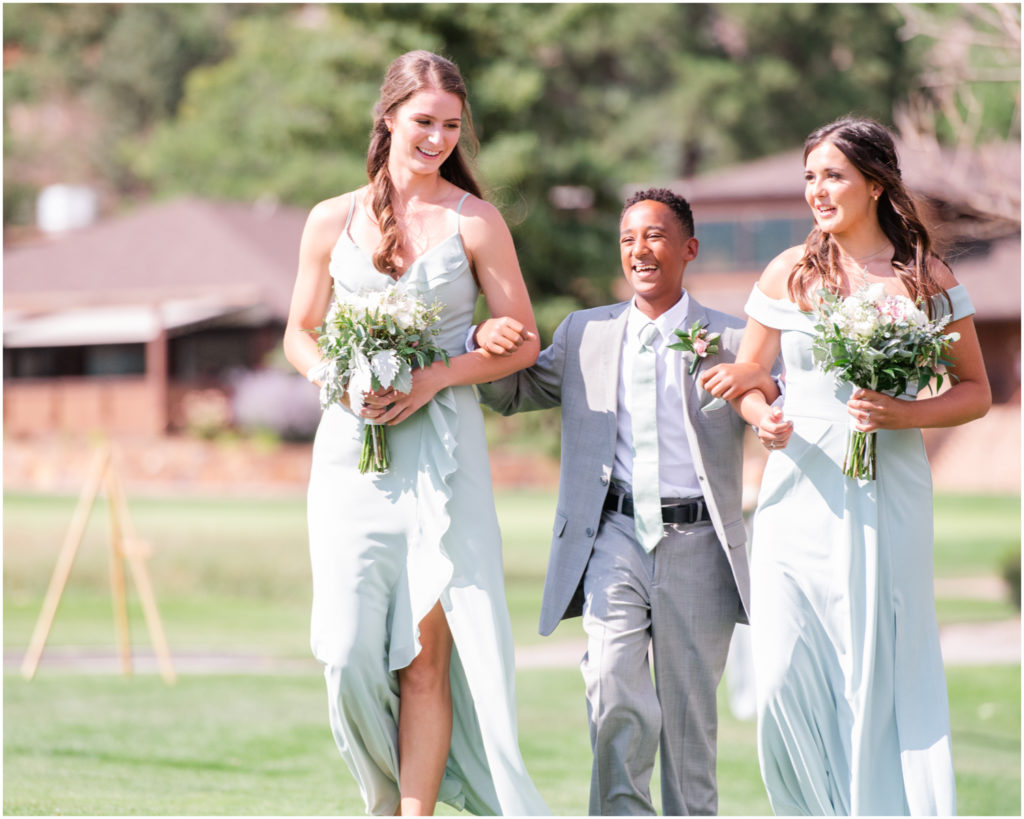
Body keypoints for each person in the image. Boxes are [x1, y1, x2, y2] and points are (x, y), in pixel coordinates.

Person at [700, 116, 991, 815]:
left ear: (874, 182)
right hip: (795, 492)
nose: (817, 190)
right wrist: (759, 416)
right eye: (809, 177)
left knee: (872, 663)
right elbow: (752, 375)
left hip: (885, 489)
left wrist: (905, 415)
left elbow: (976, 390)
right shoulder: (789, 274)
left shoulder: (923, 279)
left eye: (832, 175)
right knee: (778, 678)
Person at [283, 50, 548, 817]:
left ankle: (413, 812)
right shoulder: (329, 219)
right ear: (389, 116)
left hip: (444, 456)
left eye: (450, 126)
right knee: (349, 647)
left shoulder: (476, 220)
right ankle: (378, 794)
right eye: (424, 121)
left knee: (426, 655)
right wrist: (338, 381)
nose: (436, 138)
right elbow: (300, 333)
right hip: (349, 458)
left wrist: (434, 377)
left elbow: (524, 339)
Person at [475, 188, 779, 815]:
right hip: (610, 534)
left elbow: (773, 399)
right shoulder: (585, 333)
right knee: (612, 683)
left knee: (690, 723)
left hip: (698, 543)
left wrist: (772, 400)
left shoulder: (731, 337)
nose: (639, 250)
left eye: (656, 236)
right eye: (627, 239)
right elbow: (513, 393)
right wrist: (485, 335)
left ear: (689, 249)